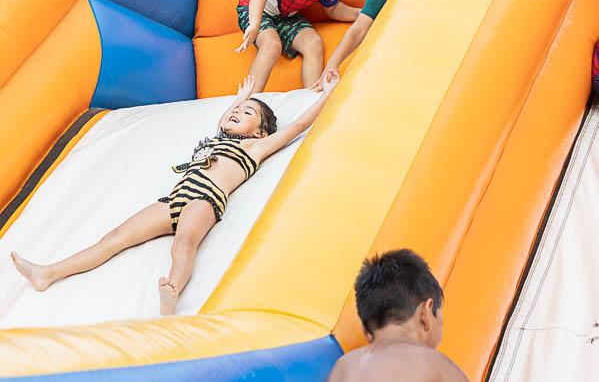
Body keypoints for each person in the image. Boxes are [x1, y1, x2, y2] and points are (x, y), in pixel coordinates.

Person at [11, 73, 340, 315]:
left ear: (259, 131)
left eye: (247, 113)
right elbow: (225, 118)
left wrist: (328, 94)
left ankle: (172, 293)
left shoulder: (255, 147)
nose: (237, 113)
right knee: (113, 238)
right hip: (174, 198)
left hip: (204, 198)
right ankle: (49, 272)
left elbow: (297, 127)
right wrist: (243, 97)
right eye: (237, 109)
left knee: (184, 244)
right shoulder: (217, 137)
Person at [328, 249, 468, 382]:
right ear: (426, 313)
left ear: (366, 330)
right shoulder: (436, 365)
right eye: (441, 321)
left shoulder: (344, 367)